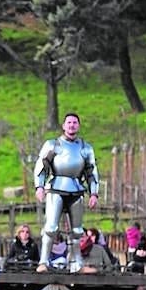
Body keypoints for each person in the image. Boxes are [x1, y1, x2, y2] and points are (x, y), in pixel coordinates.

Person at [34, 112, 99, 273]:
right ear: (63, 125)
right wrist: (39, 186)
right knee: (51, 227)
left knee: (77, 230)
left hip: (76, 188)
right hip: (56, 187)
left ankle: (77, 264)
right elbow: (41, 166)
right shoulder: (53, 144)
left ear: (78, 125)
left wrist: (94, 193)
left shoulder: (85, 147)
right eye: (69, 122)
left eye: (75, 122)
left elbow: (92, 172)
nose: (71, 125)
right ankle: (43, 262)